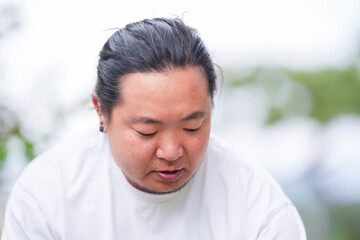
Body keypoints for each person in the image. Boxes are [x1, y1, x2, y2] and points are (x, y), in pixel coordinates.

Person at [1, 17, 306, 239]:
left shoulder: (259, 207)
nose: (172, 152)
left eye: (192, 126)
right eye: (147, 131)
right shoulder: (46, 195)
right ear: (101, 112)